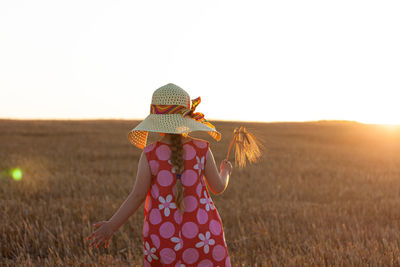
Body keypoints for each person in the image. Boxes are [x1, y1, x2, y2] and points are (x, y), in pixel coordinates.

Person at [87, 83, 232, 266]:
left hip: (162, 237)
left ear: (155, 121)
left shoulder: (150, 154)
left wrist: (111, 226)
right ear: (187, 120)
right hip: (203, 235)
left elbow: (137, 196)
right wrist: (225, 172)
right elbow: (218, 187)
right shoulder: (202, 150)